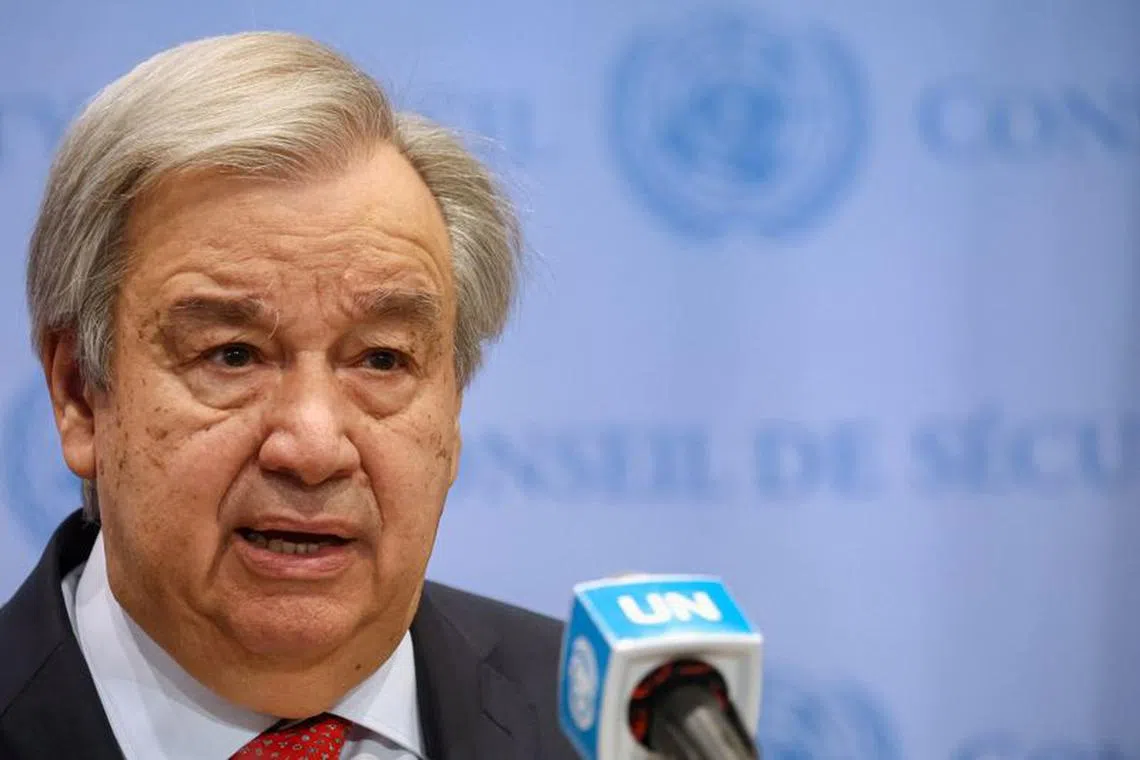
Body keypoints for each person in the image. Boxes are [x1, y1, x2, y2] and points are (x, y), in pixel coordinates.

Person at [0, 31, 578, 760]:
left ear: (452, 409)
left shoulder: (626, 731)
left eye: (380, 359)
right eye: (232, 355)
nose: (312, 448)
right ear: (80, 395)